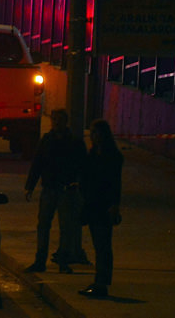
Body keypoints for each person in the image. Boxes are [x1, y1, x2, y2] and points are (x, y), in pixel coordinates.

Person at [23, 108, 87, 273]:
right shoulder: (47, 140)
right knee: (44, 225)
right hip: (49, 189)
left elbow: (83, 166)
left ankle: (62, 261)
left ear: (65, 122)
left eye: (59, 120)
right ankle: (41, 260)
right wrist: (30, 186)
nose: (56, 123)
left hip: (66, 189)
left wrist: (80, 186)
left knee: (65, 227)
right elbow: (37, 163)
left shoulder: (73, 142)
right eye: (54, 119)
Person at [78, 119, 123, 298]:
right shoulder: (93, 154)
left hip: (103, 205)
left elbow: (115, 183)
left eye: (96, 133)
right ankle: (99, 281)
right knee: (99, 245)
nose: (93, 137)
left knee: (103, 245)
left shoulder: (112, 156)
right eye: (92, 133)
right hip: (93, 203)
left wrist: (114, 204)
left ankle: (101, 282)